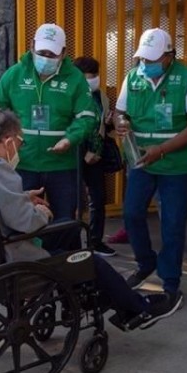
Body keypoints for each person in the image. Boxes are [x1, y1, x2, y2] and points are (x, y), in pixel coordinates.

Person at [0, 110, 179, 329]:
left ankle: (79, 294)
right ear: (9, 140)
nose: (20, 148)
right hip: (13, 253)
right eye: (20, 142)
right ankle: (137, 308)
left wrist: (22, 197)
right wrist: (42, 213)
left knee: (69, 230)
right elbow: (25, 222)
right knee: (89, 257)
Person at [114, 28, 187, 307]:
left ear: (169, 56)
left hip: (176, 166)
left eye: (152, 59)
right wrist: (120, 122)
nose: (146, 64)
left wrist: (162, 150)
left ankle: (170, 282)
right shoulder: (133, 77)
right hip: (142, 161)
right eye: (142, 58)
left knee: (173, 224)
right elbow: (119, 112)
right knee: (131, 214)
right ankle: (146, 263)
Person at [0, 23, 98, 245]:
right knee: (20, 222)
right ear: (32, 47)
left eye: (52, 54)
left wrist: (71, 138)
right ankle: (28, 271)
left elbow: (87, 115)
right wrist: (5, 139)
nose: (46, 58)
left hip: (62, 165)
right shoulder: (15, 74)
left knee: (65, 222)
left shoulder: (75, 78)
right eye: (42, 53)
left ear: (64, 53)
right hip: (23, 162)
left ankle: (66, 270)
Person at [73, 56, 117, 257]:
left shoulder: (102, 97)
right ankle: (70, 244)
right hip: (73, 152)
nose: (93, 80)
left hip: (95, 154)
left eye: (95, 75)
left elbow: (102, 128)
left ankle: (95, 242)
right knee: (71, 200)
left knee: (97, 199)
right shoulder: (69, 95)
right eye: (88, 76)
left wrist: (108, 123)